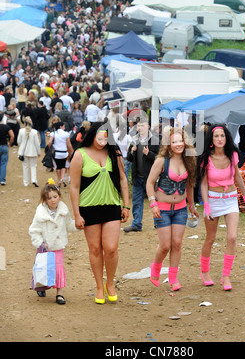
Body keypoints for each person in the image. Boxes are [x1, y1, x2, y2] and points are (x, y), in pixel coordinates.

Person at [69, 121, 130, 304]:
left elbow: (123, 179)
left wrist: (126, 206)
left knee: (111, 249)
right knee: (95, 249)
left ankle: (110, 283)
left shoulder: (114, 152)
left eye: (106, 137)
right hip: (89, 208)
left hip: (111, 206)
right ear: (92, 135)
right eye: (99, 137)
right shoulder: (80, 155)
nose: (102, 141)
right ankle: (98, 285)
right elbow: (74, 187)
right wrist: (77, 214)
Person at [199, 124, 245, 291]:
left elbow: (237, 175)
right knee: (211, 238)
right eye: (216, 136)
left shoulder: (233, 155)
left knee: (232, 237)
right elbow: (203, 183)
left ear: (226, 138)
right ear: (211, 140)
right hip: (213, 200)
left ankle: (226, 275)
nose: (220, 139)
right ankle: (205, 272)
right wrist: (206, 206)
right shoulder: (206, 158)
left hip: (230, 199)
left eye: (222, 136)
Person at [146, 127, 198, 291]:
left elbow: (189, 185)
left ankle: (173, 278)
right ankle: (155, 267)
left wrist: (191, 205)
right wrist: (153, 203)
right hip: (162, 208)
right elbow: (149, 183)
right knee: (165, 245)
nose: (178, 144)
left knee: (177, 243)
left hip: (181, 209)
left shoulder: (189, 160)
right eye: (174, 141)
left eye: (180, 141)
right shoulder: (162, 161)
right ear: (169, 144)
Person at [29, 179, 78, 304]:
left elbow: (68, 225)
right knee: (43, 268)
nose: (53, 200)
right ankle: (41, 286)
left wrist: (78, 225)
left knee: (58, 268)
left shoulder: (63, 210)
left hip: (58, 245)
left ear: (59, 196)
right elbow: (34, 230)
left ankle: (59, 294)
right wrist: (40, 242)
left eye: (55, 197)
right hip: (45, 247)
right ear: (45, 200)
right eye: (49, 198)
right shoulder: (40, 213)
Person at [124, 115, 160, 232]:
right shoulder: (134, 139)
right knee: (136, 201)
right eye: (138, 125)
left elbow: (159, 159)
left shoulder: (154, 139)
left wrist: (148, 153)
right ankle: (136, 224)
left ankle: (158, 223)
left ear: (148, 126)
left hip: (151, 177)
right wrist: (132, 151)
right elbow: (128, 158)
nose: (140, 127)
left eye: (142, 125)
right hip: (137, 176)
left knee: (154, 200)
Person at [17, 116, 41, 187]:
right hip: (32, 151)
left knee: (25, 167)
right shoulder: (34, 132)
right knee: (33, 166)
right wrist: (38, 152)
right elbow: (37, 143)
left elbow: (19, 141)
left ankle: (26, 183)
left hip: (23, 152)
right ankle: (34, 180)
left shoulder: (21, 131)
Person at [48, 121, 73, 187]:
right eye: (63, 126)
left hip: (57, 152)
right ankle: (63, 179)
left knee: (58, 167)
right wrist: (71, 151)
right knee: (63, 166)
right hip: (64, 152)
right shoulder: (66, 134)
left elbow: (50, 142)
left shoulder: (53, 133)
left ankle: (59, 180)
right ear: (60, 126)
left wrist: (49, 148)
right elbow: (68, 144)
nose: (64, 127)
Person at [0, 112, 14, 185]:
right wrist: (10, 143)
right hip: (4, 146)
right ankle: (2, 180)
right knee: (3, 164)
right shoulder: (6, 127)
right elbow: (12, 136)